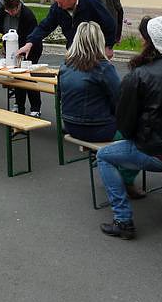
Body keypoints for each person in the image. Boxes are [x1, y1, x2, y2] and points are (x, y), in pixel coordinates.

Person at [96, 16, 162, 239]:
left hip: (158, 153)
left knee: (104, 156)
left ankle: (123, 219)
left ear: (149, 42)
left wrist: (137, 135)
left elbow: (125, 125)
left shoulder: (140, 75)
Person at [58, 21, 143, 198]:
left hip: (70, 125)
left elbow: (61, 95)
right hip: (98, 128)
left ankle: (114, 169)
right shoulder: (103, 67)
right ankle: (126, 180)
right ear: (99, 41)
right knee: (140, 135)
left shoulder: (65, 66)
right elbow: (119, 101)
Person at [17, 0, 116, 60]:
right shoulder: (57, 8)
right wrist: (30, 43)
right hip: (73, 49)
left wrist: (109, 46)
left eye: (61, 2)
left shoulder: (91, 3)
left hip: (93, 50)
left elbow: (109, 24)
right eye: (57, 2)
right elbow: (45, 26)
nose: (59, 5)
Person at [2, 0, 43, 117]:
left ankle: (35, 107)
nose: (11, 13)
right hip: (14, 47)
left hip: (30, 48)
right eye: (8, 11)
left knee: (28, 77)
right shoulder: (5, 12)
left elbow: (32, 36)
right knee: (17, 77)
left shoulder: (27, 15)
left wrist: (23, 51)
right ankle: (19, 105)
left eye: (13, 10)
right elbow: (1, 28)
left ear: (18, 6)